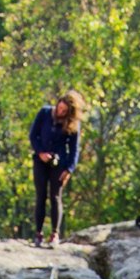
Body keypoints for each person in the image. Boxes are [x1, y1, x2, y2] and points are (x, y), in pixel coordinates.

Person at [29, 91, 83, 246]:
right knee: (40, 196)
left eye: (64, 111)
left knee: (55, 196)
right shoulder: (45, 112)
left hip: (59, 162)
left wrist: (69, 169)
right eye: (59, 109)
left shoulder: (72, 124)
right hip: (41, 159)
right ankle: (38, 233)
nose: (60, 113)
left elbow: (74, 148)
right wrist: (40, 152)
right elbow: (33, 135)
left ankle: (55, 233)